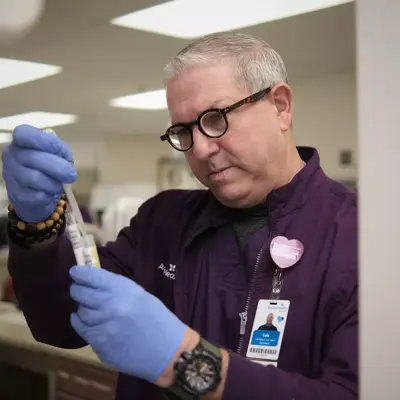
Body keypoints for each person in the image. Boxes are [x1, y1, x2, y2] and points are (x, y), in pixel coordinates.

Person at [1, 32, 358, 399]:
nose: (200, 148)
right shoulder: (163, 221)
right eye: (182, 131)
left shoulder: (362, 237)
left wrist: (185, 361)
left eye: (216, 119)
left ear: (280, 106)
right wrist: (35, 226)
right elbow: (60, 321)